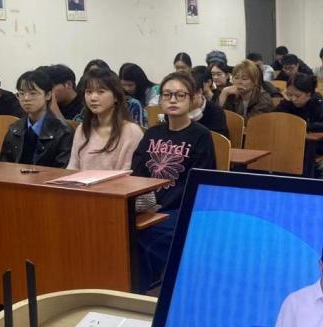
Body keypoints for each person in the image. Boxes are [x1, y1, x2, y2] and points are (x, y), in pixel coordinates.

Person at [132, 72, 216, 290]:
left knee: (146, 232)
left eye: (180, 95)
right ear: (160, 100)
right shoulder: (152, 134)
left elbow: (199, 181)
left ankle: (148, 286)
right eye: (167, 95)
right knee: (120, 227)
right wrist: (146, 203)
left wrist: (161, 205)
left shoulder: (201, 135)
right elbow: (138, 171)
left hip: (181, 207)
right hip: (148, 204)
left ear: (192, 99)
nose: (173, 100)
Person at [68, 68, 143, 171]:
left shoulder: (131, 131)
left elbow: (128, 174)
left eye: (101, 92)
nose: (93, 98)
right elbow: (72, 168)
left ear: (115, 96)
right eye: (89, 92)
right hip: (81, 182)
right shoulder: (82, 129)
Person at [0, 69, 73, 168]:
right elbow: (4, 165)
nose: (26, 98)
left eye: (33, 93)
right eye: (21, 93)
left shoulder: (63, 131)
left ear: (48, 95)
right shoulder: (15, 129)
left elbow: (62, 169)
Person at [276, 73, 323, 180]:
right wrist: (285, 102)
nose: (293, 99)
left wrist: (304, 126)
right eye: (290, 94)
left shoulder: (319, 103)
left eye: (298, 96)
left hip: (319, 154)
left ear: (309, 94)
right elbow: (273, 119)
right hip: (289, 153)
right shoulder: (288, 103)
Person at [189, 66, 229, 137]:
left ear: (199, 92)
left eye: (191, 93)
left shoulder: (216, 112)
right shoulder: (179, 109)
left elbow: (218, 140)